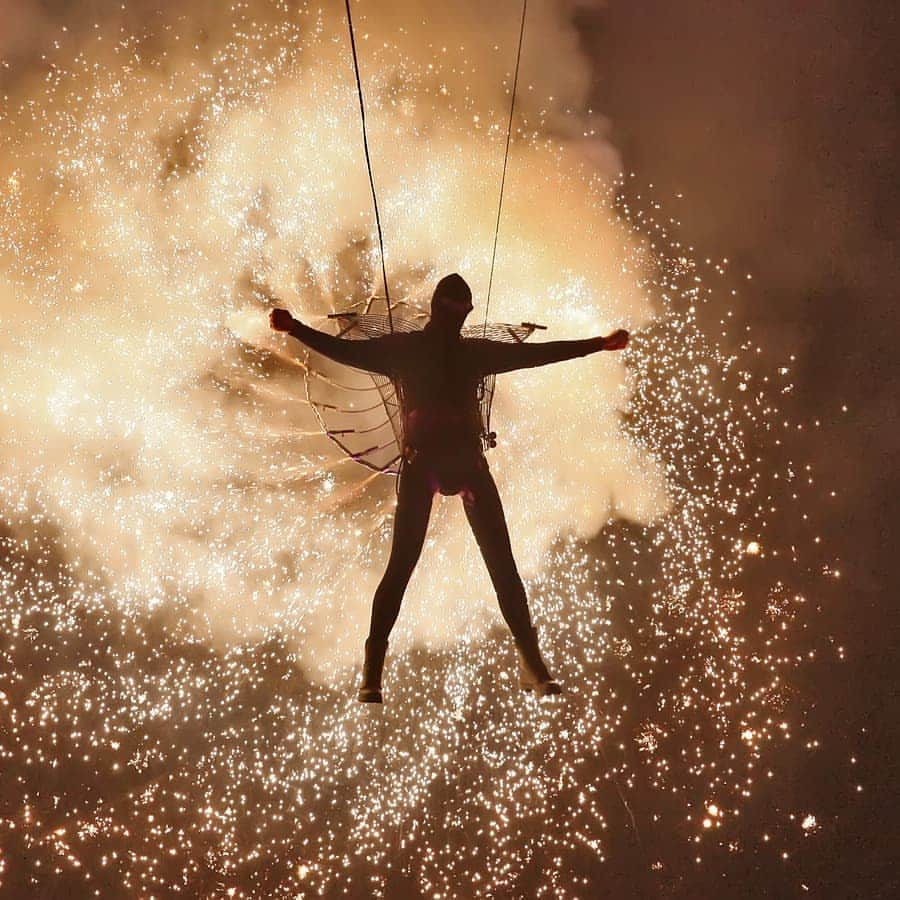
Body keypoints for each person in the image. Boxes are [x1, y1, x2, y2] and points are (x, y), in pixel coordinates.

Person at [269, 273, 629, 702]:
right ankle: (378, 671)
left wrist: (296, 329)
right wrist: (597, 344)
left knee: (464, 568)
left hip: (446, 466)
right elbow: (538, 355)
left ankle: (513, 666)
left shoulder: (428, 350)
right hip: (444, 466)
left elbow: (344, 349)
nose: (453, 321)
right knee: (446, 568)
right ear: (458, 313)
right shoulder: (455, 352)